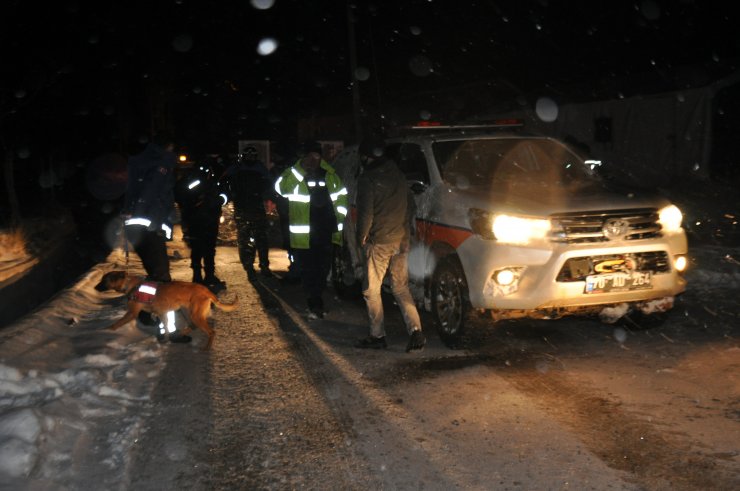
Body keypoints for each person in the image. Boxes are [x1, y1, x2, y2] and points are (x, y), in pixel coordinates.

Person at [353, 136, 425, 352]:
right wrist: (405, 236)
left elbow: (366, 213)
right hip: (400, 240)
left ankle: (377, 335)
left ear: (365, 157)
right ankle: (416, 331)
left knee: (371, 290)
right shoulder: (399, 175)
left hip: (380, 242)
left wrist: (361, 239)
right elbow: (410, 206)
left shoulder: (368, 179)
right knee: (401, 287)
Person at [122, 131, 190, 343]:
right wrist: (150, 217)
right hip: (148, 228)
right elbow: (152, 192)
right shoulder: (162, 163)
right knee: (163, 284)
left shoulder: (139, 163)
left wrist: (132, 213)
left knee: (155, 277)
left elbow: (133, 192)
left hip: (136, 228)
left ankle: (145, 313)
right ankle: (166, 330)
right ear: (169, 147)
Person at [274, 141, 348, 319]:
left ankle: (317, 297)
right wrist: (300, 170)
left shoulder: (330, 174)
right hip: (304, 235)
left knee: (322, 269)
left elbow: (341, 199)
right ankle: (313, 300)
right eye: (310, 156)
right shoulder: (294, 173)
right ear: (304, 156)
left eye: (316, 156)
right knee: (308, 269)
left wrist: (338, 224)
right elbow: (281, 188)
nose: (313, 160)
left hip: (325, 231)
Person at [222, 146, 273, 281]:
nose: (250, 157)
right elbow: (224, 182)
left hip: (255, 208)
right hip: (243, 208)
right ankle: (249, 267)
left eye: (252, 155)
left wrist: (267, 197)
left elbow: (269, 185)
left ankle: (263, 266)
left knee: (260, 239)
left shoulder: (259, 168)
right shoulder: (237, 168)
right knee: (246, 239)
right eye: (248, 155)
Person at [175, 160, 227, 292]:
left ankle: (208, 275)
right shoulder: (192, 180)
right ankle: (198, 276)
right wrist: (194, 203)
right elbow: (181, 195)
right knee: (198, 248)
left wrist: (220, 199)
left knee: (208, 248)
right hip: (196, 219)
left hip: (209, 218)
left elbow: (224, 193)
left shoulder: (213, 180)